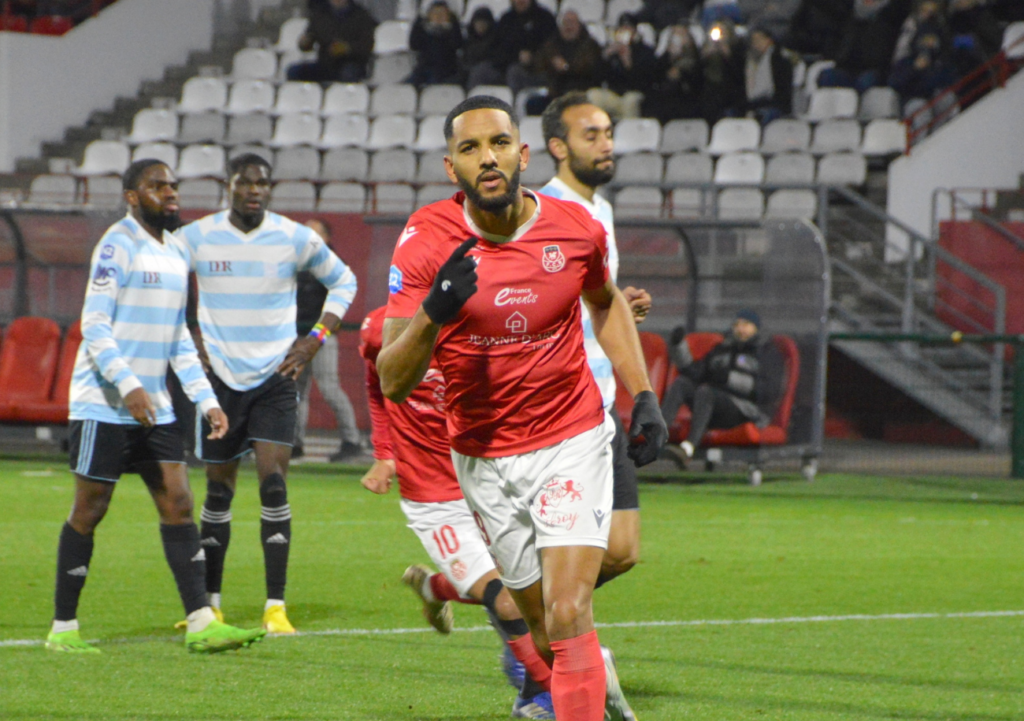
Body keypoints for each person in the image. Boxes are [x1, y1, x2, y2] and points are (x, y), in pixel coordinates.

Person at [376, 94, 666, 721]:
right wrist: (434, 312)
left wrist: (641, 391)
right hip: (483, 455)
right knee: (539, 629)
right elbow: (393, 379)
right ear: (451, 168)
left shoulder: (574, 226)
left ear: (523, 154)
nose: (488, 158)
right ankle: (589, 689)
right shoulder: (425, 243)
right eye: (470, 148)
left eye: (499, 144)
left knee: (567, 611)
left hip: (570, 437)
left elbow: (606, 301)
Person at [47, 159, 265, 654]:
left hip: (157, 408)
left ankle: (201, 622)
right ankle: (63, 629)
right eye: (157, 186)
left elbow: (179, 340)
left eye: (172, 185)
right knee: (90, 509)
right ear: (131, 196)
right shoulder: (116, 245)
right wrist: (127, 385)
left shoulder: (176, 251)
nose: (170, 192)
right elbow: (94, 327)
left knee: (179, 503)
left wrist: (207, 400)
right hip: (104, 405)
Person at [180, 154, 358, 634]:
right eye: (245, 183)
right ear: (228, 185)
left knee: (273, 483)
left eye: (262, 184)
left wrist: (315, 337)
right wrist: (185, 332)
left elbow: (345, 280)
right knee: (218, 490)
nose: (254, 190)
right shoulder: (196, 236)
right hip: (218, 382)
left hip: (274, 379)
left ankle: (275, 608)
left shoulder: (294, 236)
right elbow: (166, 278)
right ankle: (210, 605)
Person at [359, 306, 556, 720]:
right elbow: (377, 385)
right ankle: (549, 699)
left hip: (489, 481)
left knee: (538, 595)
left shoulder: (484, 322)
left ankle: (435, 589)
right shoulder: (381, 327)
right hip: (433, 497)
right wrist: (385, 455)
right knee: (505, 600)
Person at [538, 92, 652, 592]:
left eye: (608, 133)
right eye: (592, 135)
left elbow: (590, 297)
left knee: (622, 549)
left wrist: (619, 305)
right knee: (570, 547)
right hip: (561, 407)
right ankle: (532, 636)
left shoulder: (599, 209)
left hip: (603, 401)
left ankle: (512, 608)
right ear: (558, 147)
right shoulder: (542, 213)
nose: (606, 145)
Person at [660, 309, 784, 461]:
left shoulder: (767, 353)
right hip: (712, 406)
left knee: (707, 392)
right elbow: (696, 372)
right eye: (737, 325)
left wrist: (729, 379)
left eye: (746, 324)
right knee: (682, 384)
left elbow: (768, 392)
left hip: (745, 412)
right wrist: (678, 347)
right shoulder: (722, 348)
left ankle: (688, 448)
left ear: (756, 328)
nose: (740, 329)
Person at [293, 219, 363, 463]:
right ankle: (295, 443)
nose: (309, 236)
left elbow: (339, 301)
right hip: (299, 334)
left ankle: (352, 440)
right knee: (296, 390)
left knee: (328, 387)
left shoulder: (332, 263)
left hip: (321, 334)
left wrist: (320, 333)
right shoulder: (300, 262)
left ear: (327, 238)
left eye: (315, 231)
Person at [818, 0, 912, 93]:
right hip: (846, 66)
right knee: (826, 77)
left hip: (874, 69)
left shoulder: (891, 14)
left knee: (865, 83)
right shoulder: (850, 11)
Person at [286, 0, 378, 83]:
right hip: (326, 64)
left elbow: (366, 46)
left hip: (352, 64)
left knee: (348, 74)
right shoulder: (320, 14)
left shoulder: (361, 15)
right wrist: (305, 43)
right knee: (294, 71)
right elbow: (309, 40)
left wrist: (346, 48)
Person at [591, 13, 659, 120]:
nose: (624, 31)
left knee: (630, 101)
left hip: (635, 93)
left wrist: (627, 61)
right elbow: (597, 76)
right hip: (614, 94)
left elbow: (645, 80)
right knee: (593, 95)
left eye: (628, 28)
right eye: (622, 28)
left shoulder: (645, 51)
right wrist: (605, 57)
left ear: (635, 31)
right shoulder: (611, 50)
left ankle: (629, 133)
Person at [888, 0, 955, 103]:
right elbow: (895, 81)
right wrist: (914, 68)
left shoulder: (940, 59)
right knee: (917, 105)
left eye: (931, 12)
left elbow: (949, 75)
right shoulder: (906, 58)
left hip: (936, 92)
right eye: (924, 11)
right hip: (913, 97)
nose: (927, 15)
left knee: (946, 99)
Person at [532, 10, 604, 103]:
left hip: (581, 90)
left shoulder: (590, 45)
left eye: (572, 22)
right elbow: (539, 64)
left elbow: (588, 68)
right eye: (565, 23)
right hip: (555, 91)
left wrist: (567, 67)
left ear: (579, 25)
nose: (568, 26)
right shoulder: (551, 44)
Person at [642, 24, 703, 123]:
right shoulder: (665, 58)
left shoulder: (696, 58)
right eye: (675, 35)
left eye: (681, 34)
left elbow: (697, 78)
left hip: (688, 99)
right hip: (665, 100)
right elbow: (654, 76)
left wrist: (681, 74)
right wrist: (669, 55)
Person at [494, 0, 559, 92]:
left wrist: (533, 57)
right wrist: (516, 56)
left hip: (540, 67)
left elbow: (551, 47)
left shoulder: (545, 18)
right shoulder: (506, 20)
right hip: (508, 67)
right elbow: (499, 49)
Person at [698, 19, 748, 124]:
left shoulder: (737, 50)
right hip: (709, 96)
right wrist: (704, 57)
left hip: (730, 96)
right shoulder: (705, 50)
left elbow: (739, 74)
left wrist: (728, 55)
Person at [744, 25, 793, 124]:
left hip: (775, 104)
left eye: (759, 40)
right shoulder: (751, 61)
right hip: (757, 103)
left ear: (769, 40)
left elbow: (781, 91)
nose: (755, 44)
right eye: (753, 41)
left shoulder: (780, 59)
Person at [408, 0, 464, 86]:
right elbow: (414, 45)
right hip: (424, 68)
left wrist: (453, 24)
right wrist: (419, 20)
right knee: (409, 84)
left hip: (445, 71)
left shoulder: (451, 31)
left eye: (442, 13)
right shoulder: (425, 30)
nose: (438, 16)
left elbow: (457, 44)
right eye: (435, 13)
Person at [462, 6, 504, 88]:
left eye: (484, 22)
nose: (480, 25)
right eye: (478, 22)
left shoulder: (497, 41)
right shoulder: (468, 41)